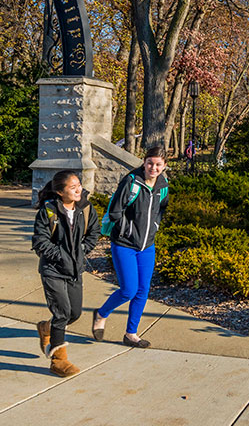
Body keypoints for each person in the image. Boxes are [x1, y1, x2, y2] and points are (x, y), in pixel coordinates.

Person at [93, 147, 169, 348]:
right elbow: (116, 211)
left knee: (143, 290)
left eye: (158, 164)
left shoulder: (163, 185)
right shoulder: (131, 182)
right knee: (128, 290)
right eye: (150, 163)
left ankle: (131, 334)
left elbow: (161, 209)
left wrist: (155, 226)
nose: (153, 167)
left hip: (147, 246)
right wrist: (128, 230)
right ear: (144, 162)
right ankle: (101, 314)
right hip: (124, 244)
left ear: (164, 166)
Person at [31, 169, 101, 377]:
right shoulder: (48, 212)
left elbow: (94, 233)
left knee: (74, 313)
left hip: (74, 270)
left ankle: (47, 328)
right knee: (62, 313)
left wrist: (80, 252)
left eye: (78, 184)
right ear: (60, 192)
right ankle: (58, 361)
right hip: (53, 270)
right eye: (72, 187)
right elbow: (40, 242)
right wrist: (62, 256)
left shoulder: (86, 208)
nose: (78, 189)